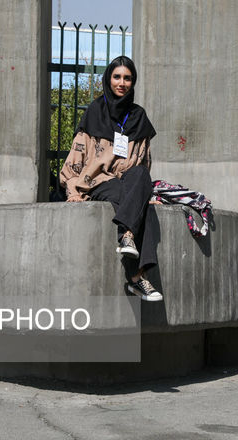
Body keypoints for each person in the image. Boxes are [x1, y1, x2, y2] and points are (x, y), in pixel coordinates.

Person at [60, 56, 162, 302]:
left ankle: (127, 236)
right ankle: (138, 278)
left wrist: (146, 194)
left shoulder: (139, 116)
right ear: (108, 79)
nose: (122, 83)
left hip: (130, 180)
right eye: (117, 77)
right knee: (133, 203)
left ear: (133, 82)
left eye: (127, 78)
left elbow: (144, 163)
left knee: (140, 176)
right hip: (98, 180)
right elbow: (77, 153)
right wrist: (72, 189)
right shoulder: (95, 110)